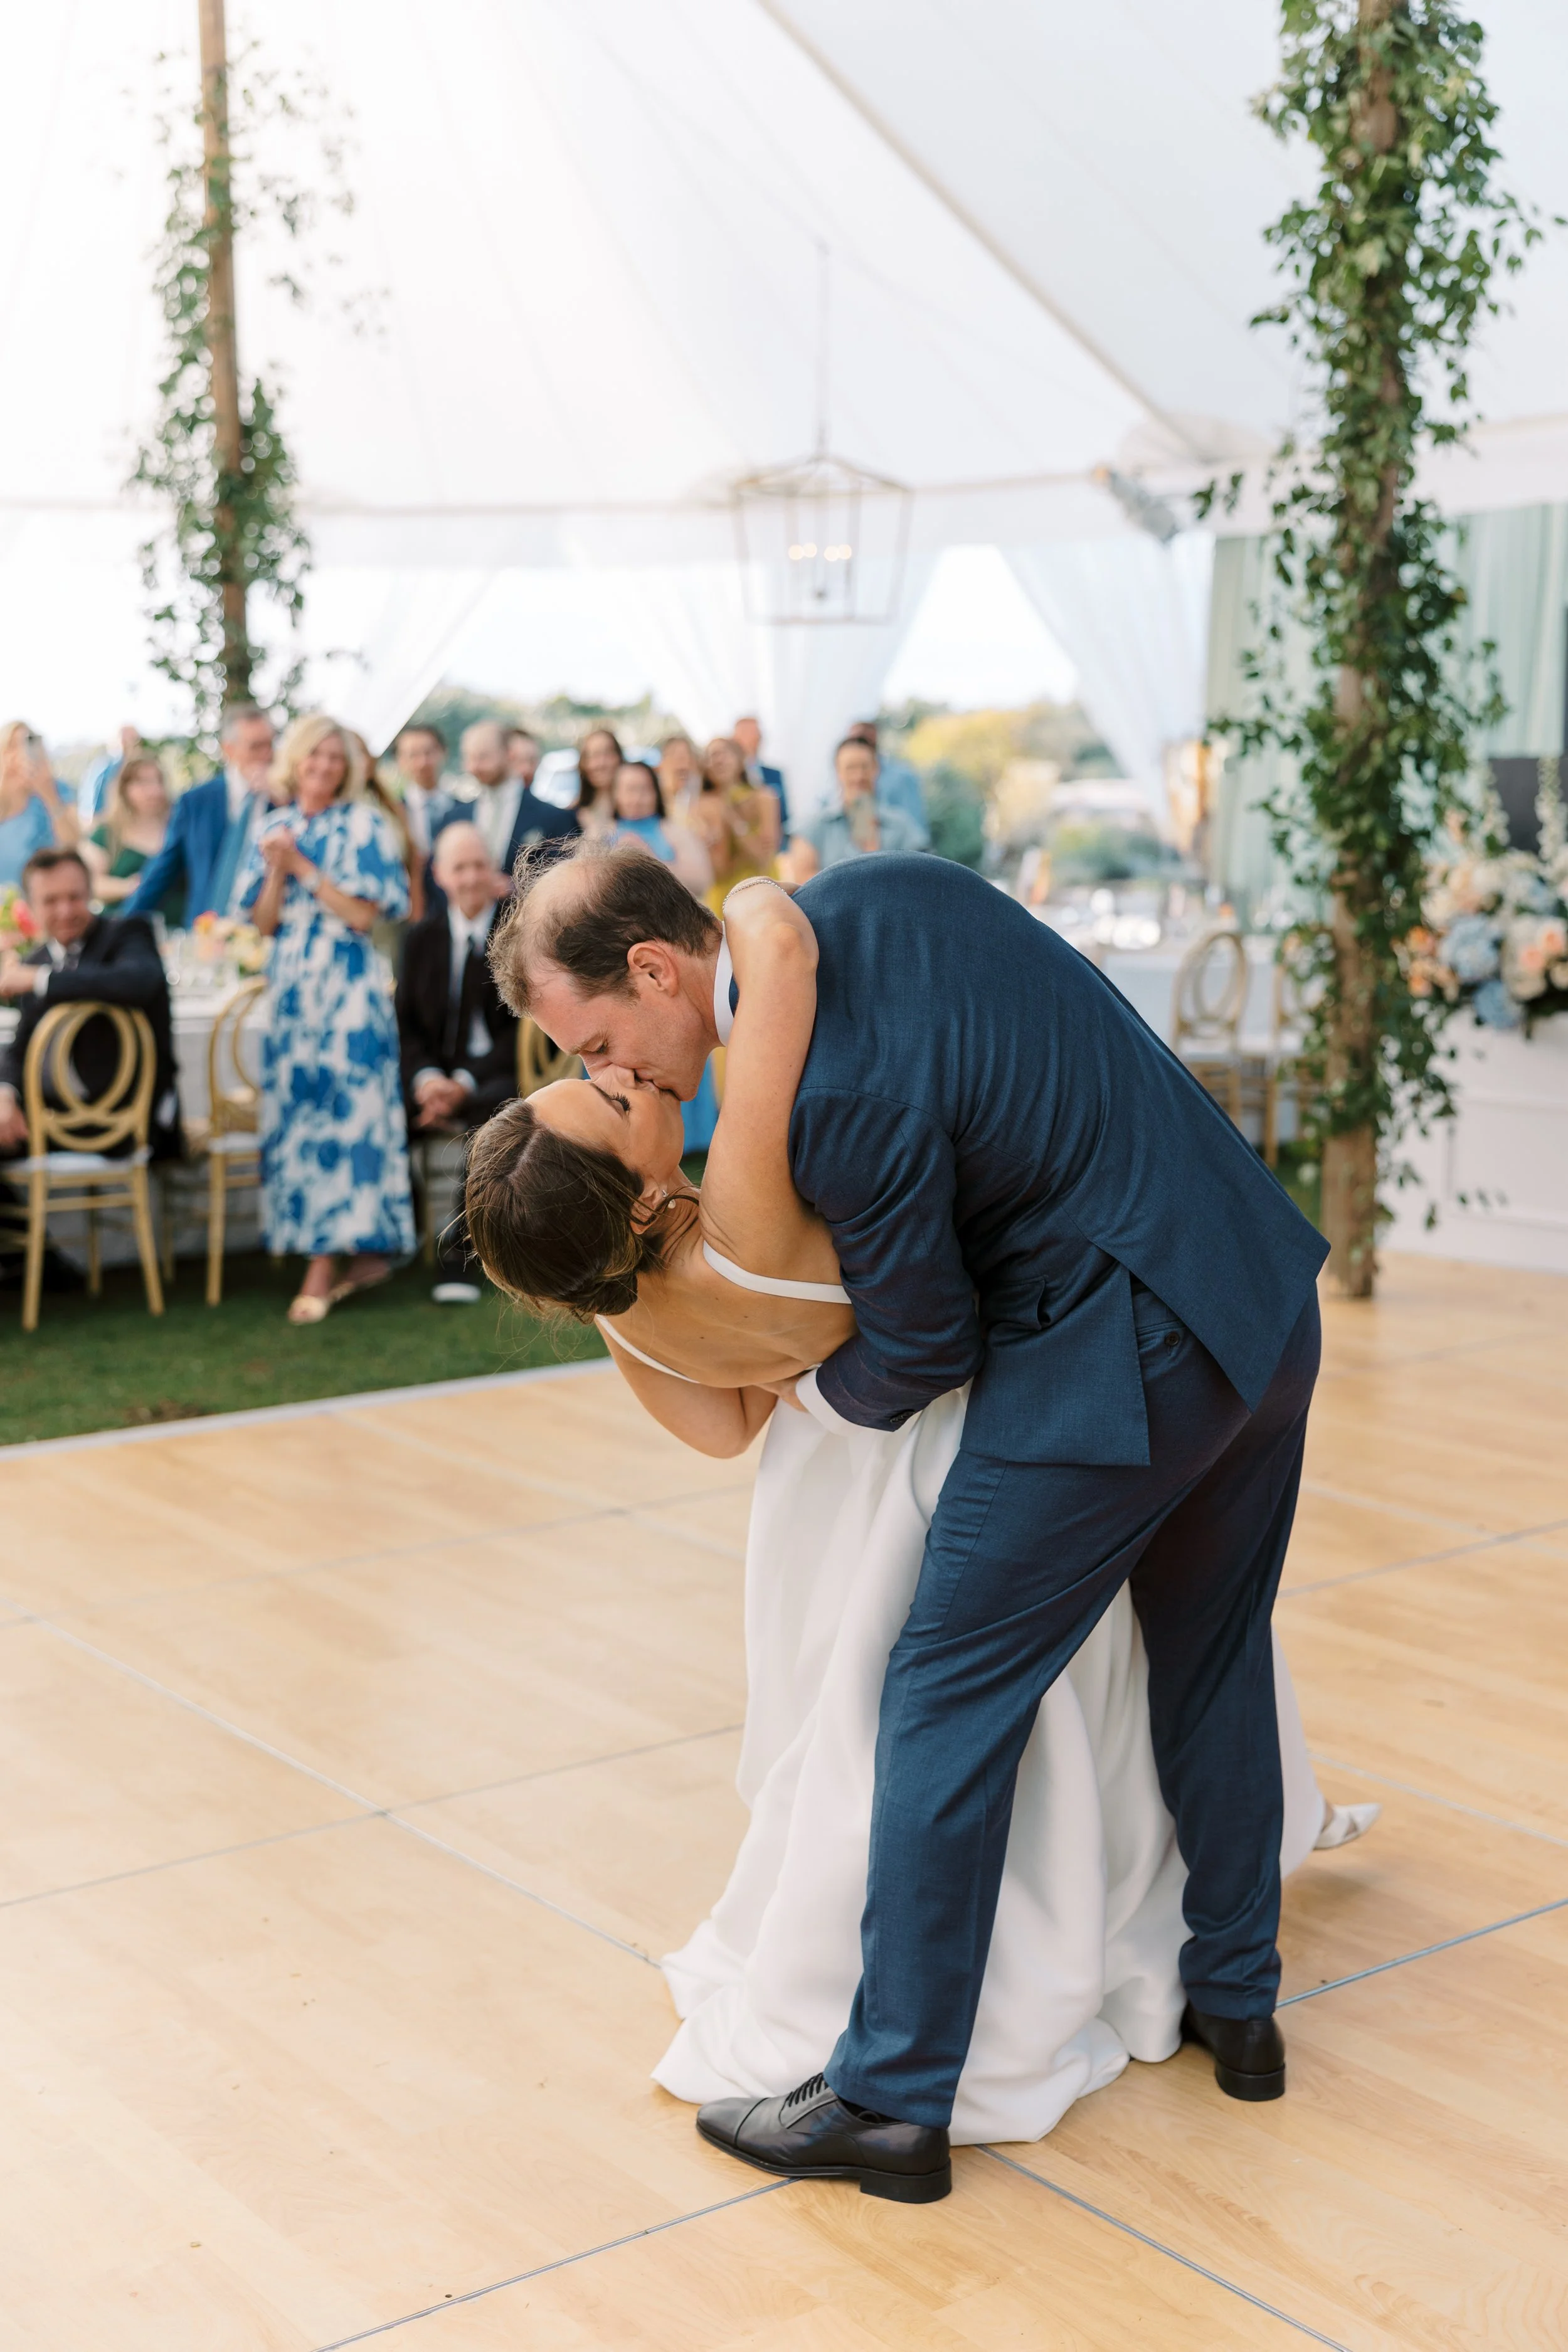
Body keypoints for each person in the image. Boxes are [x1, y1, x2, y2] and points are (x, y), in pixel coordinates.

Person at [472, 846, 1357, 2186]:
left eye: (598, 1040)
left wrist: (810, 1393)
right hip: (1255, 1289)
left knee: (938, 1698)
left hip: (1124, 1347)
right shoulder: (875, 894)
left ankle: (890, 2096)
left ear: (655, 970)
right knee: (1212, 1652)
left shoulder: (823, 1101)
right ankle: (1234, 2005)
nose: (618, 1072)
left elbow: (927, 1345)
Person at [238, 715, 415, 1325]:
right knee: (301, 1115)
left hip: (347, 990)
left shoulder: (365, 824)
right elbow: (262, 924)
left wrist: (306, 869)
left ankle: (327, 1257)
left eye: (335, 759)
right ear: (296, 758)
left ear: (349, 768)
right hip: (292, 990)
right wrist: (276, 869)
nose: (324, 767)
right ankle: (355, 1251)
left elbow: (364, 917)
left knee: (349, 1117)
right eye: (314, 755)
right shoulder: (270, 827)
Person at [396, 821, 517, 1305]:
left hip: (496, 1071)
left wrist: (463, 1084)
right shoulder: (420, 938)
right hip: (434, 1072)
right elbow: (405, 1025)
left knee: (494, 1111)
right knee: (381, 1110)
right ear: (440, 875)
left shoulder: (518, 929)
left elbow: (524, 1030)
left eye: (478, 866)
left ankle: (462, 1252)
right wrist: (427, 1082)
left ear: (493, 870)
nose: (470, 878)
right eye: (459, 868)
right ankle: (396, 1237)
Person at [0, 845, 180, 1164]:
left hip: (123, 1121)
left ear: (91, 893)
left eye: (75, 897)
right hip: (49, 1115)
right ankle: (22, 1215)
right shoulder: (37, 959)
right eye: (51, 901)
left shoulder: (127, 934)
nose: (66, 911)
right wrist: (5, 1094)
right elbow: (21, 1048)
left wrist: (41, 980)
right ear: (30, 908)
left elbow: (139, 980)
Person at [120, 705, 277, 923]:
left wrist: (280, 795)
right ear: (229, 750)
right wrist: (119, 929)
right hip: (205, 933)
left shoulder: (285, 800)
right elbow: (161, 873)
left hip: (265, 934)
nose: (266, 755)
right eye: (256, 747)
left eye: (270, 744)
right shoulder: (195, 802)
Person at [434, 721, 576, 894]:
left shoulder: (554, 818)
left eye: (483, 757)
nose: (474, 767)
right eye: (469, 758)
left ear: (509, 754)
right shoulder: (454, 818)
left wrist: (516, 888)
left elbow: (564, 882)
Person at [787, 736, 928, 882]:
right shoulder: (812, 828)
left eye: (865, 767)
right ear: (838, 772)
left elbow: (925, 873)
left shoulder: (902, 825)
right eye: (851, 768)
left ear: (876, 770)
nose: (859, 776)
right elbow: (804, 886)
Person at [83, 753, 180, 919]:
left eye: (158, 781)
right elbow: (89, 884)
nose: (154, 790)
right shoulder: (106, 833)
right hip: (127, 932)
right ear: (124, 787)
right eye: (144, 783)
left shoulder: (179, 828)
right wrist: (129, 886)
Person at [693, 735, 779, 909]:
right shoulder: (702, 806)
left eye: (723, 753)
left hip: (764, 889)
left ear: (740, 759)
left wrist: (732, 819)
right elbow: (719, 870)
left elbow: (762, 858)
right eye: (711, 756)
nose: (718, 760)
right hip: (725, 898)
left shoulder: (764, 798)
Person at [609, 759, 712, 899]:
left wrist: (650, 858)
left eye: (644, 790)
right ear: (616, 794)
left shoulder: (676, 832)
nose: (637, 799)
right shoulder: (600, 833)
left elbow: (702, 882)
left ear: (656, 794)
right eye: (630, 790)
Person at [0, 723, 76, 885]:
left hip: (46, 891)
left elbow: (73, 844)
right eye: (13, 745)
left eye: (27, 743)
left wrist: (48, 793)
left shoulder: (58, 789)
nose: (21, 753)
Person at [846, 719, 929, 844]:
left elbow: (916, 829)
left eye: (862, 741)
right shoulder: (845, 780)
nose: (859, 776)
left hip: (896, 852)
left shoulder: (902, 777)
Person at [388, 723, 454, 862]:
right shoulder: (392, 813)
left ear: (444, 752)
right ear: (399, 761)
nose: (423, 762)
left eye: (428, 753)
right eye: (413, 755)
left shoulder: (465, 809)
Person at [733, 714, 789, 830]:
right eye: (748, 733)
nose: (757, 737)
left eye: (757, 732)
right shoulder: (730, 776)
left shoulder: (775, 774)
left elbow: (784, 816)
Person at [573, 726, 625, 839]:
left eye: (607, 754)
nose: (601, 764)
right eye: (593, 756)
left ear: (620, 758)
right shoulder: (571, 816)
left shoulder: (637, 813)